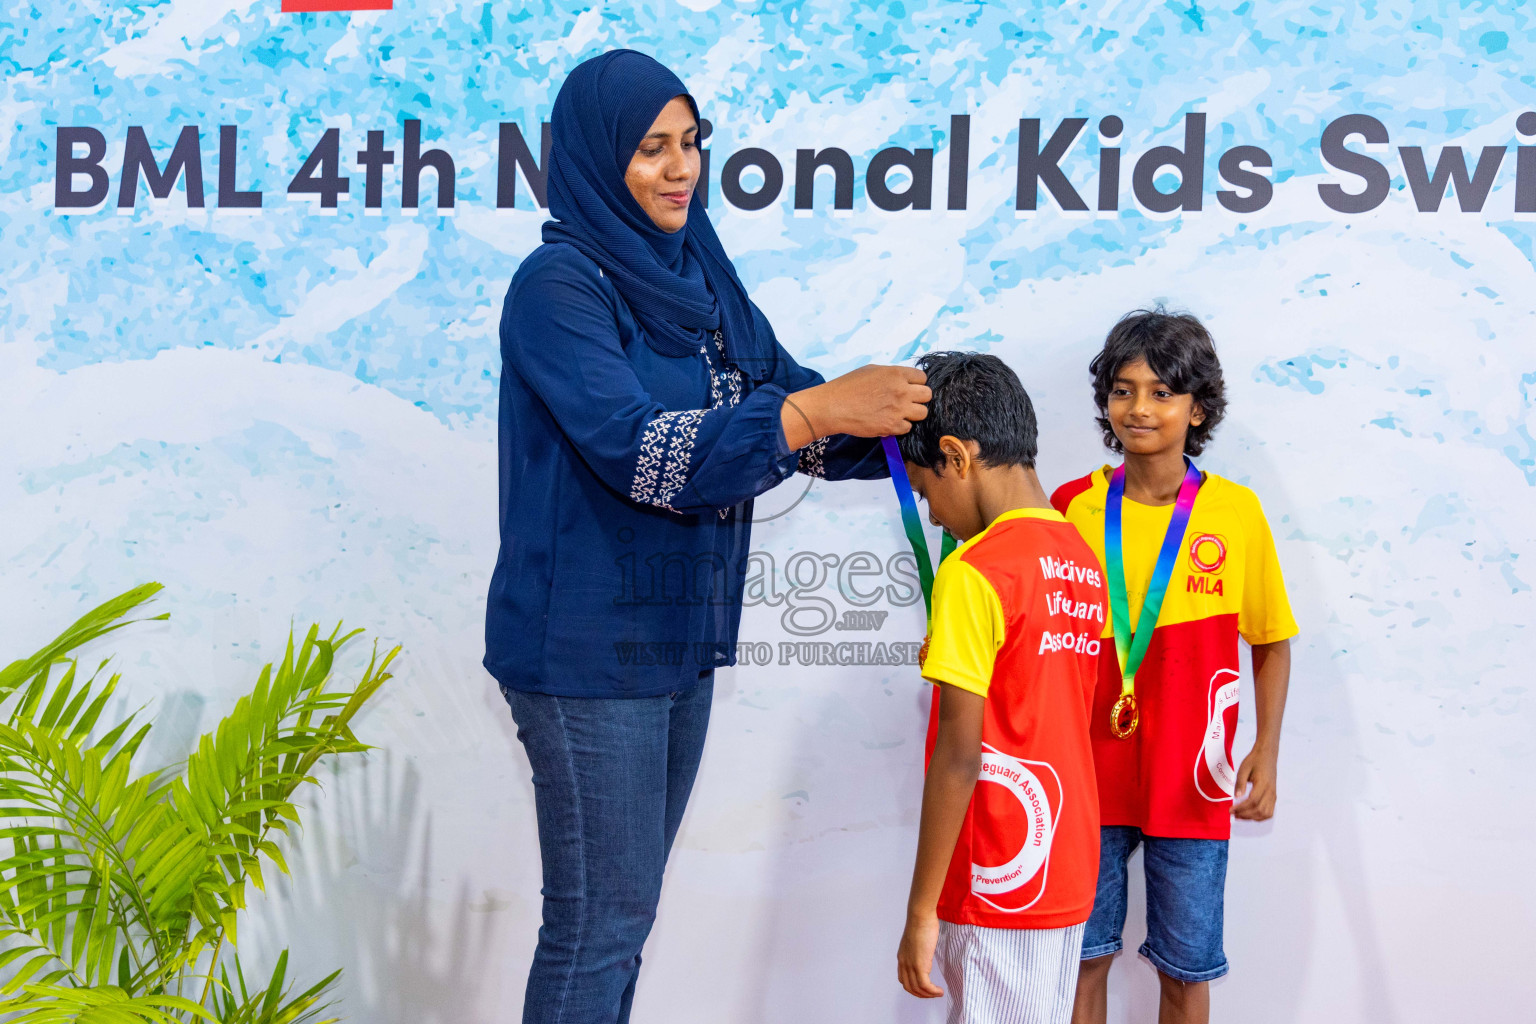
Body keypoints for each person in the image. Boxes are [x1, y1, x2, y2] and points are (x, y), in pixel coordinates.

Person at [484, 50, 931, 1024]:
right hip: (581, 652)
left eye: (691, 143)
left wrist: (922, 441)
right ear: (603, 161)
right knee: (596, 924)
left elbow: (792, 419)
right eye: (652, 148)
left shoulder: (703, 276)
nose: (681, 167)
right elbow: (647, 453)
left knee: (626, 918)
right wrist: (820, 413)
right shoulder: (557, 290)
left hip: (675, 642)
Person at [1052, 310, 1298, 1024]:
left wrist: (1268, 752)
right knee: (1083, 958)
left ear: (1198, 407)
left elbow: (1272, 641)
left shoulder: (1234, 513)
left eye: (1162, 392)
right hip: (1089, 773)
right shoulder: (1073, 507)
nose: (1140, 409)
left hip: (1195, 779)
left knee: (1187, 970)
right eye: (1124, 390)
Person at [893, 351, 1107, 1024]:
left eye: (927, 492)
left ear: (955, 456)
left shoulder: (974, 572)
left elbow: (960, 755)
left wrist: (921, 910)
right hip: (1067, 865)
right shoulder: (1081, 560)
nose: (933, 516)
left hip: (997, 872)